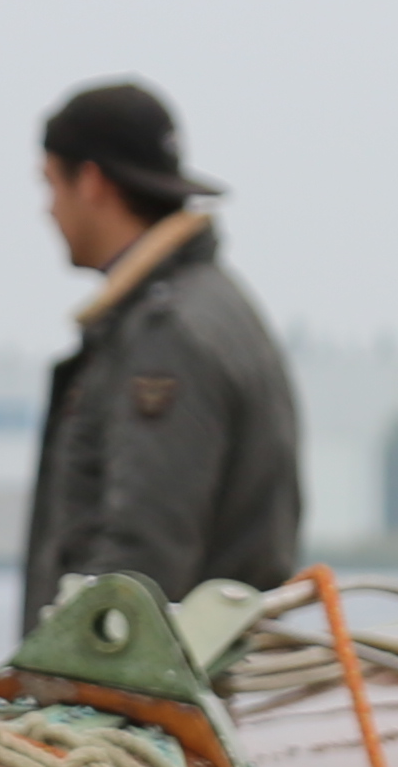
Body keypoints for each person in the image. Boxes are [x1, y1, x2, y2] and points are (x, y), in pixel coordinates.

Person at [21, 81, 302, 628]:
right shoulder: (217, 307)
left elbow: (143, 556)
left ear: (93, 182)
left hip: (160, 695)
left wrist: (75, 675)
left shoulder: (164, 337)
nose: (48, 211)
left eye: (51, 185)